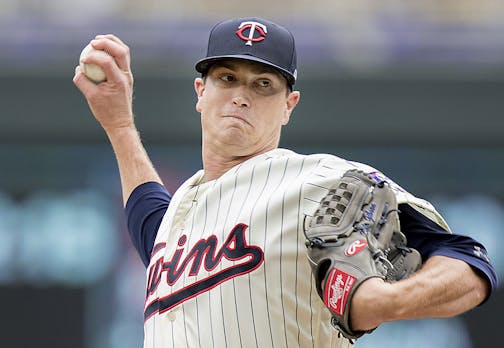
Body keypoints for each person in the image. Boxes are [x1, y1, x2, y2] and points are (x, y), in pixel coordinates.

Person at [73, 17, 497, 348]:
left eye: (263, 84)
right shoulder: (183, 210)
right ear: (200, 91)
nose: (241, 94)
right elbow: (153, 230)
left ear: (288, 105)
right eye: (227, 78)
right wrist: (119, 124)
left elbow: (468, 260)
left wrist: (388, 302)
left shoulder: (322, 179)